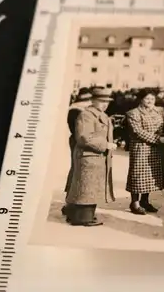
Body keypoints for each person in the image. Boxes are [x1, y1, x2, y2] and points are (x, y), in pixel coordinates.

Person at [65, 87, 117, 227]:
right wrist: (105, 145)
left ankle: (80, 216)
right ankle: (82, 218)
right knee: (86, 188)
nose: (105, 104)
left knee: (90, 187)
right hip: (89, 156)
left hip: (95, 157)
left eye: (107, 102)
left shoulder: (102, 115)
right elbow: (83, 137)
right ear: (93, 101)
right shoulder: (87, 115)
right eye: (101, 101)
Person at [126, 87, 164, 215]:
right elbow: (137, 131)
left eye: (152, 98)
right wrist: (158, 139)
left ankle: (145, 201)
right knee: (138, 175)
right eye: (147, 98)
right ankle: (134, 203)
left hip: (156, 149)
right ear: (141, 99)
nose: (150, 101)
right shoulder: (133, 113)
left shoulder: (160, 111)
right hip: (141, 148)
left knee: (151, 176)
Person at [61, 87, 93, 218]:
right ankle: (70, 204)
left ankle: (72, 203)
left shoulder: (77, 109)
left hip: (79, 141)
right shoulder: (76, 110)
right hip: (78, 142)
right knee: (77, 170)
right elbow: (78, 131)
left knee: (77, 170)